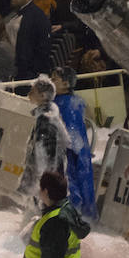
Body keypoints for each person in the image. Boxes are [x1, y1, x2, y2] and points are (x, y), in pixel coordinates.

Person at [50, 67, 97, 218]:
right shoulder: (59, 101)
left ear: (65, 83)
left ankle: (73, 218)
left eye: (54, 79)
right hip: (61, 152)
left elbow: (73, 136)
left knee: (72, 186)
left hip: (69, 155)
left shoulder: (69, 105)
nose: (51, 82)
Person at [18, 77, 69, 207]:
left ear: (42, 95)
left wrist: (41, 177)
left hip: (46, 172)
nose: (29, 94)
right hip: (51, 170)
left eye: (33, 91)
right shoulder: (51, 112)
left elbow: (44, 149)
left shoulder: (46, 118)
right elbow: (65, 141)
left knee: (44, 206)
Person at [7, 0, 52, 79]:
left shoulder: (38, 16)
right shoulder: (12, 14)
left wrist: (32, 73)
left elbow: (43, 49)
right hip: (12, 72)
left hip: (27, 75)